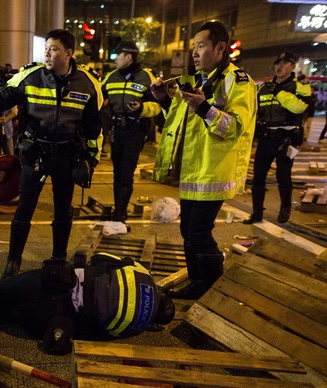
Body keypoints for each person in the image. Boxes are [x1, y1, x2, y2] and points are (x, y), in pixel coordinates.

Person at [0, 29, 103, 278]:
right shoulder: (30, 75)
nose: (47, 54)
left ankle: (58, 259)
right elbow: (1, 98)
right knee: (24, 209)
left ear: (69, 53)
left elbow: (95, 128)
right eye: (46, 49)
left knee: (63, 211)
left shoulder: (89, 83)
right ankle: (13, 261)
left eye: (53, 49)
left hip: (66, 156)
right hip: (36, 154)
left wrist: (90, 160)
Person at [151, 21, 257, 299]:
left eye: (200, 47)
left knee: (198, 232)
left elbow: (234, 127)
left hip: (214, 171)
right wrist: (164, 101)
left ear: (220, 48)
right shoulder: (198, 80)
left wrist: (205, 107)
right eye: (193, 48)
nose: (194, 54)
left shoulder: (239, 81)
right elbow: (181, 123)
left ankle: (212, 290)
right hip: (194, 170)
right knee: (188, 229)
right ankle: (198, 284)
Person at [0, 252, 175, 355]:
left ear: (160, 291)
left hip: (51, 283)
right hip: (49, 317)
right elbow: (94, 332)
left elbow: (100, 259)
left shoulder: (141, 273)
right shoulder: (135, 326)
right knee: (3, 310)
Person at [243, 52, 311, 225]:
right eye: (278, 64)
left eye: (285, 64)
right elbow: (254, 111)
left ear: (292, 66)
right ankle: (257, 213)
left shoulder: (300, 86)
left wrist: (279, 92)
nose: (280, 67)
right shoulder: (264, 87)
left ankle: (285, 209)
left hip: (286, 140)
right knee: (258, 177)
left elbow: (299, 107)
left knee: (284, 176)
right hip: (266, 139)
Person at [101, 41, 161, 226]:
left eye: (117, 56)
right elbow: (99, 97)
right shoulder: (111, 77)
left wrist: (142, 107)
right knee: (117, 172)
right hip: (117, 130)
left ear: (128, 57)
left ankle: (120, 213)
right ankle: (118, 208)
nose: (115, 60)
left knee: (126, 172)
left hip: (135, 130)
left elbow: (158, 106)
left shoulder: (146, 77)